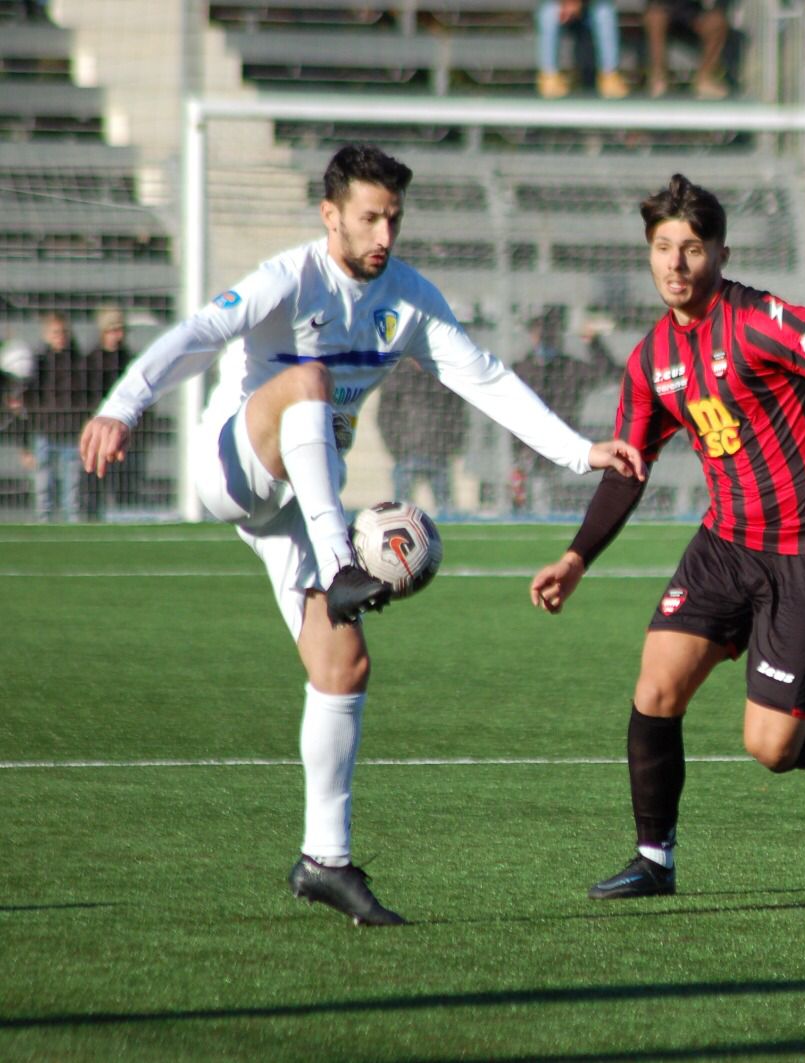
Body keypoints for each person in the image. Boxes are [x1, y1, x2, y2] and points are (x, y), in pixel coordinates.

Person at [80, 144, 644, 926]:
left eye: (394, 218)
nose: (384, 234)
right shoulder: (290, 277)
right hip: (237, 466)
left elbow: (482, 376)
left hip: (301, 504)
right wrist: (122, 403)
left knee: (342, 666)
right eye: (370, 217)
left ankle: (325, 859)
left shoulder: (408, 298)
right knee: (307, 378)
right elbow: (200, 333)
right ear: (331, 215)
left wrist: (578, 451)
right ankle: (342, 560)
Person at [529, 174, 805, 900]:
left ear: (720, 252)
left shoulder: (763, 321)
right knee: (656, 685)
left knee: (770, 747)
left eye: (691, 248)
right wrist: (577, 556)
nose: (675, 263)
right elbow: (628, 468)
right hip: (725, 544)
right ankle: (654, 859)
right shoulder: (650, 360)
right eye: (663, 247)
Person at [510, 309, 610, 513]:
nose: (543, 337)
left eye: (549, 332)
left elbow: (606, 373)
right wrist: (516, 451)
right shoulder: (522, 368)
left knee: (547, 504)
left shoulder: (570, 368)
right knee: (523, 506)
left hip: (565, 447)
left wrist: (593, 343)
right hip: (528, 449)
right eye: (539, 332)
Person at [20, 311, 92, 522]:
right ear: (46, 335)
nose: (59, 336)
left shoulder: (79, 363)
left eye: (63, 332)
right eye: (55, 332)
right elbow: (28, 402)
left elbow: (89, 398)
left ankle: (74, 532)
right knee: (44, 491)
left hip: (72, 433)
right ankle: (44, 529)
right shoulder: (39, 364)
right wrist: (25, 445)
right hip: (45, 433)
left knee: (73, 492)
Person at [376, 357, 467, 515]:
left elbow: (458, 414)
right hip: (406, 455)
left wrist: (451, 446)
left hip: (439, 455)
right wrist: (397, 448)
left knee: (447, 510)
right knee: (401, 511)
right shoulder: (397, 376)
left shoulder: (442, 375)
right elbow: (385, 416)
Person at [84, 305, 138, 517]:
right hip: (98, 439)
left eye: (121, 330)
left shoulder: (131, 362)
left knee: (126, 492)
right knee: (93, 490)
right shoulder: (89, 362)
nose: (119, 335)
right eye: (113, 330)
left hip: (128, 438)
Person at [537, 0, 628, 99]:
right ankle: (549, 76)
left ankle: (609, 75)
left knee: (604, 11)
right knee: (548, 12)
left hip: (591, 8)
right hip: (562, 8)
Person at [644, 0, 729, 100]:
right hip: (665, 7)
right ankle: (658, 78)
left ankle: (704, 79)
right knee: (654, 16)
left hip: (696, 10)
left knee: (717, 21)